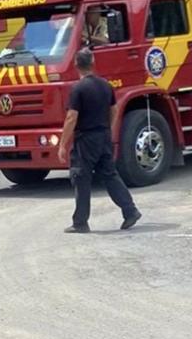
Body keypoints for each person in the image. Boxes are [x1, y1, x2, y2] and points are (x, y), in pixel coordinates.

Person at [58, 48, 141, 233]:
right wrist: (108, 129)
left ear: (76, 65)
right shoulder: (106, 85)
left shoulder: (78, 89)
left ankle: (80, 222)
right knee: (110, 175)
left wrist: (63, 144)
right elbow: (114, 109)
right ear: (93, 63)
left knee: (81, 177)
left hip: (86, 139)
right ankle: (130, 211)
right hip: (103, 136)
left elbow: (72, 117)